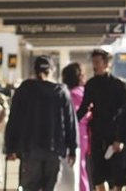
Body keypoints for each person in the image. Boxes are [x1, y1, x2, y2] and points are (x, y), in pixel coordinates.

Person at [5, 55, 77, 191]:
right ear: (52, 71)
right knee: (51, 187)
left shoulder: (24, 89)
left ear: (35, 71)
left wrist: (10, 147)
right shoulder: (61, 92)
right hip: (54, 149)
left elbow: (14, 119)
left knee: (30, 187)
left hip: (30, 149)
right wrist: (72, 148)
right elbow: (70, 122)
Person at [77, 48, 126, 191]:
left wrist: (120, 139)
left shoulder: (119, 85)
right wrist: (71, 123)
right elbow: (84, 107)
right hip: (97, 135)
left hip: (115, 136)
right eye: (93, 62)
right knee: (98, 175)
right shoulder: (91, 85)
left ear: (107, 63)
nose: (94, 66)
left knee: (117, 177)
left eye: (97, 62)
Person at [61, 62, 91, 191]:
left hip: (74, 134)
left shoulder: (69, 95)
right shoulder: (84, 92)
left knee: (77, 170)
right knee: (83, 168)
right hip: (86, 133)